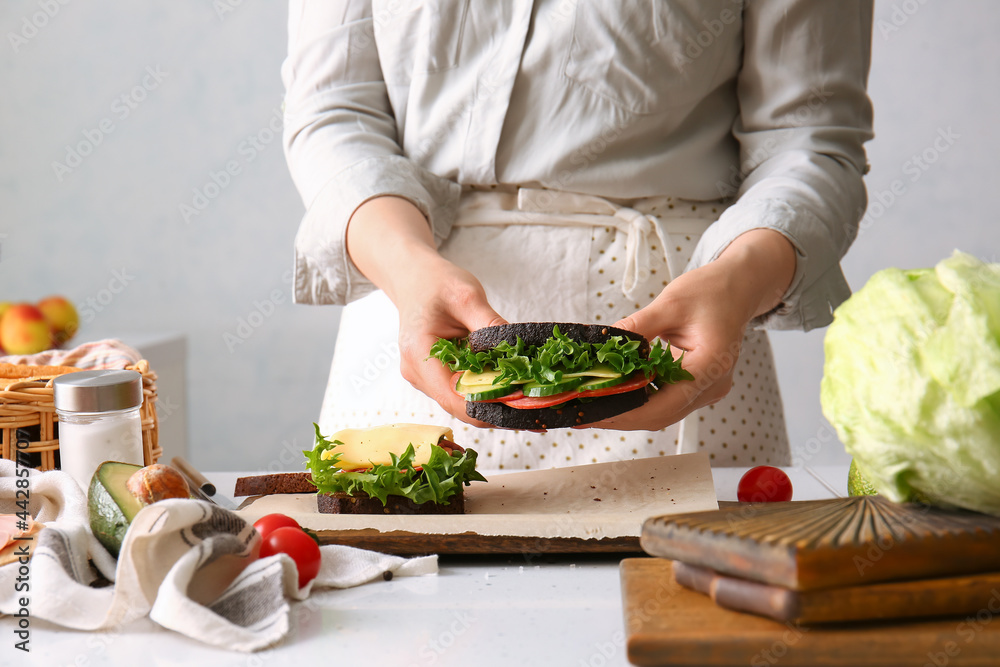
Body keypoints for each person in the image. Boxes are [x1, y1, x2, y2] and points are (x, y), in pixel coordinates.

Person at [282, 0, 874, 469]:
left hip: (678, 352)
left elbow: (810, 141)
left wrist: (739, 283)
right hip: (414, 331)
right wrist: (408, 269)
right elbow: (334, 112)